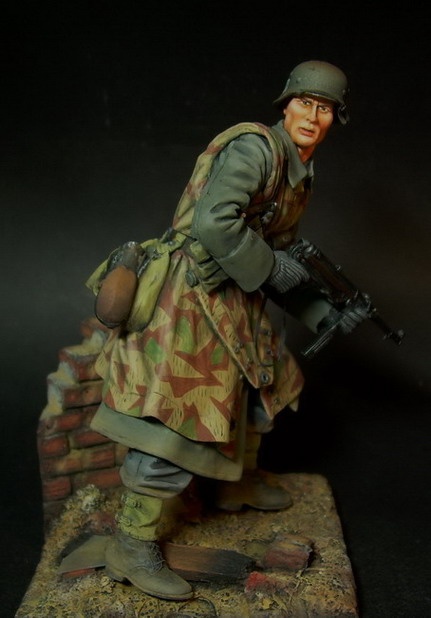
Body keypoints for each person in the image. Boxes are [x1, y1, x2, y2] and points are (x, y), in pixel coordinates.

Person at [86, 60, 364, 601]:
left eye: (324, 108)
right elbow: (216, 222)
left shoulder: (298, 171)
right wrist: (271, 266)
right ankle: (132, 543)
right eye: (304, 103)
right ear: (286, 105)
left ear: (335, 119)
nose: (312, 116)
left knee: (264, 385)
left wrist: (322, 313)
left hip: (237, 299)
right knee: (173, 418)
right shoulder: (255, 149)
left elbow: (280, 255)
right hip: (189, 298)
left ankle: (233, 483)